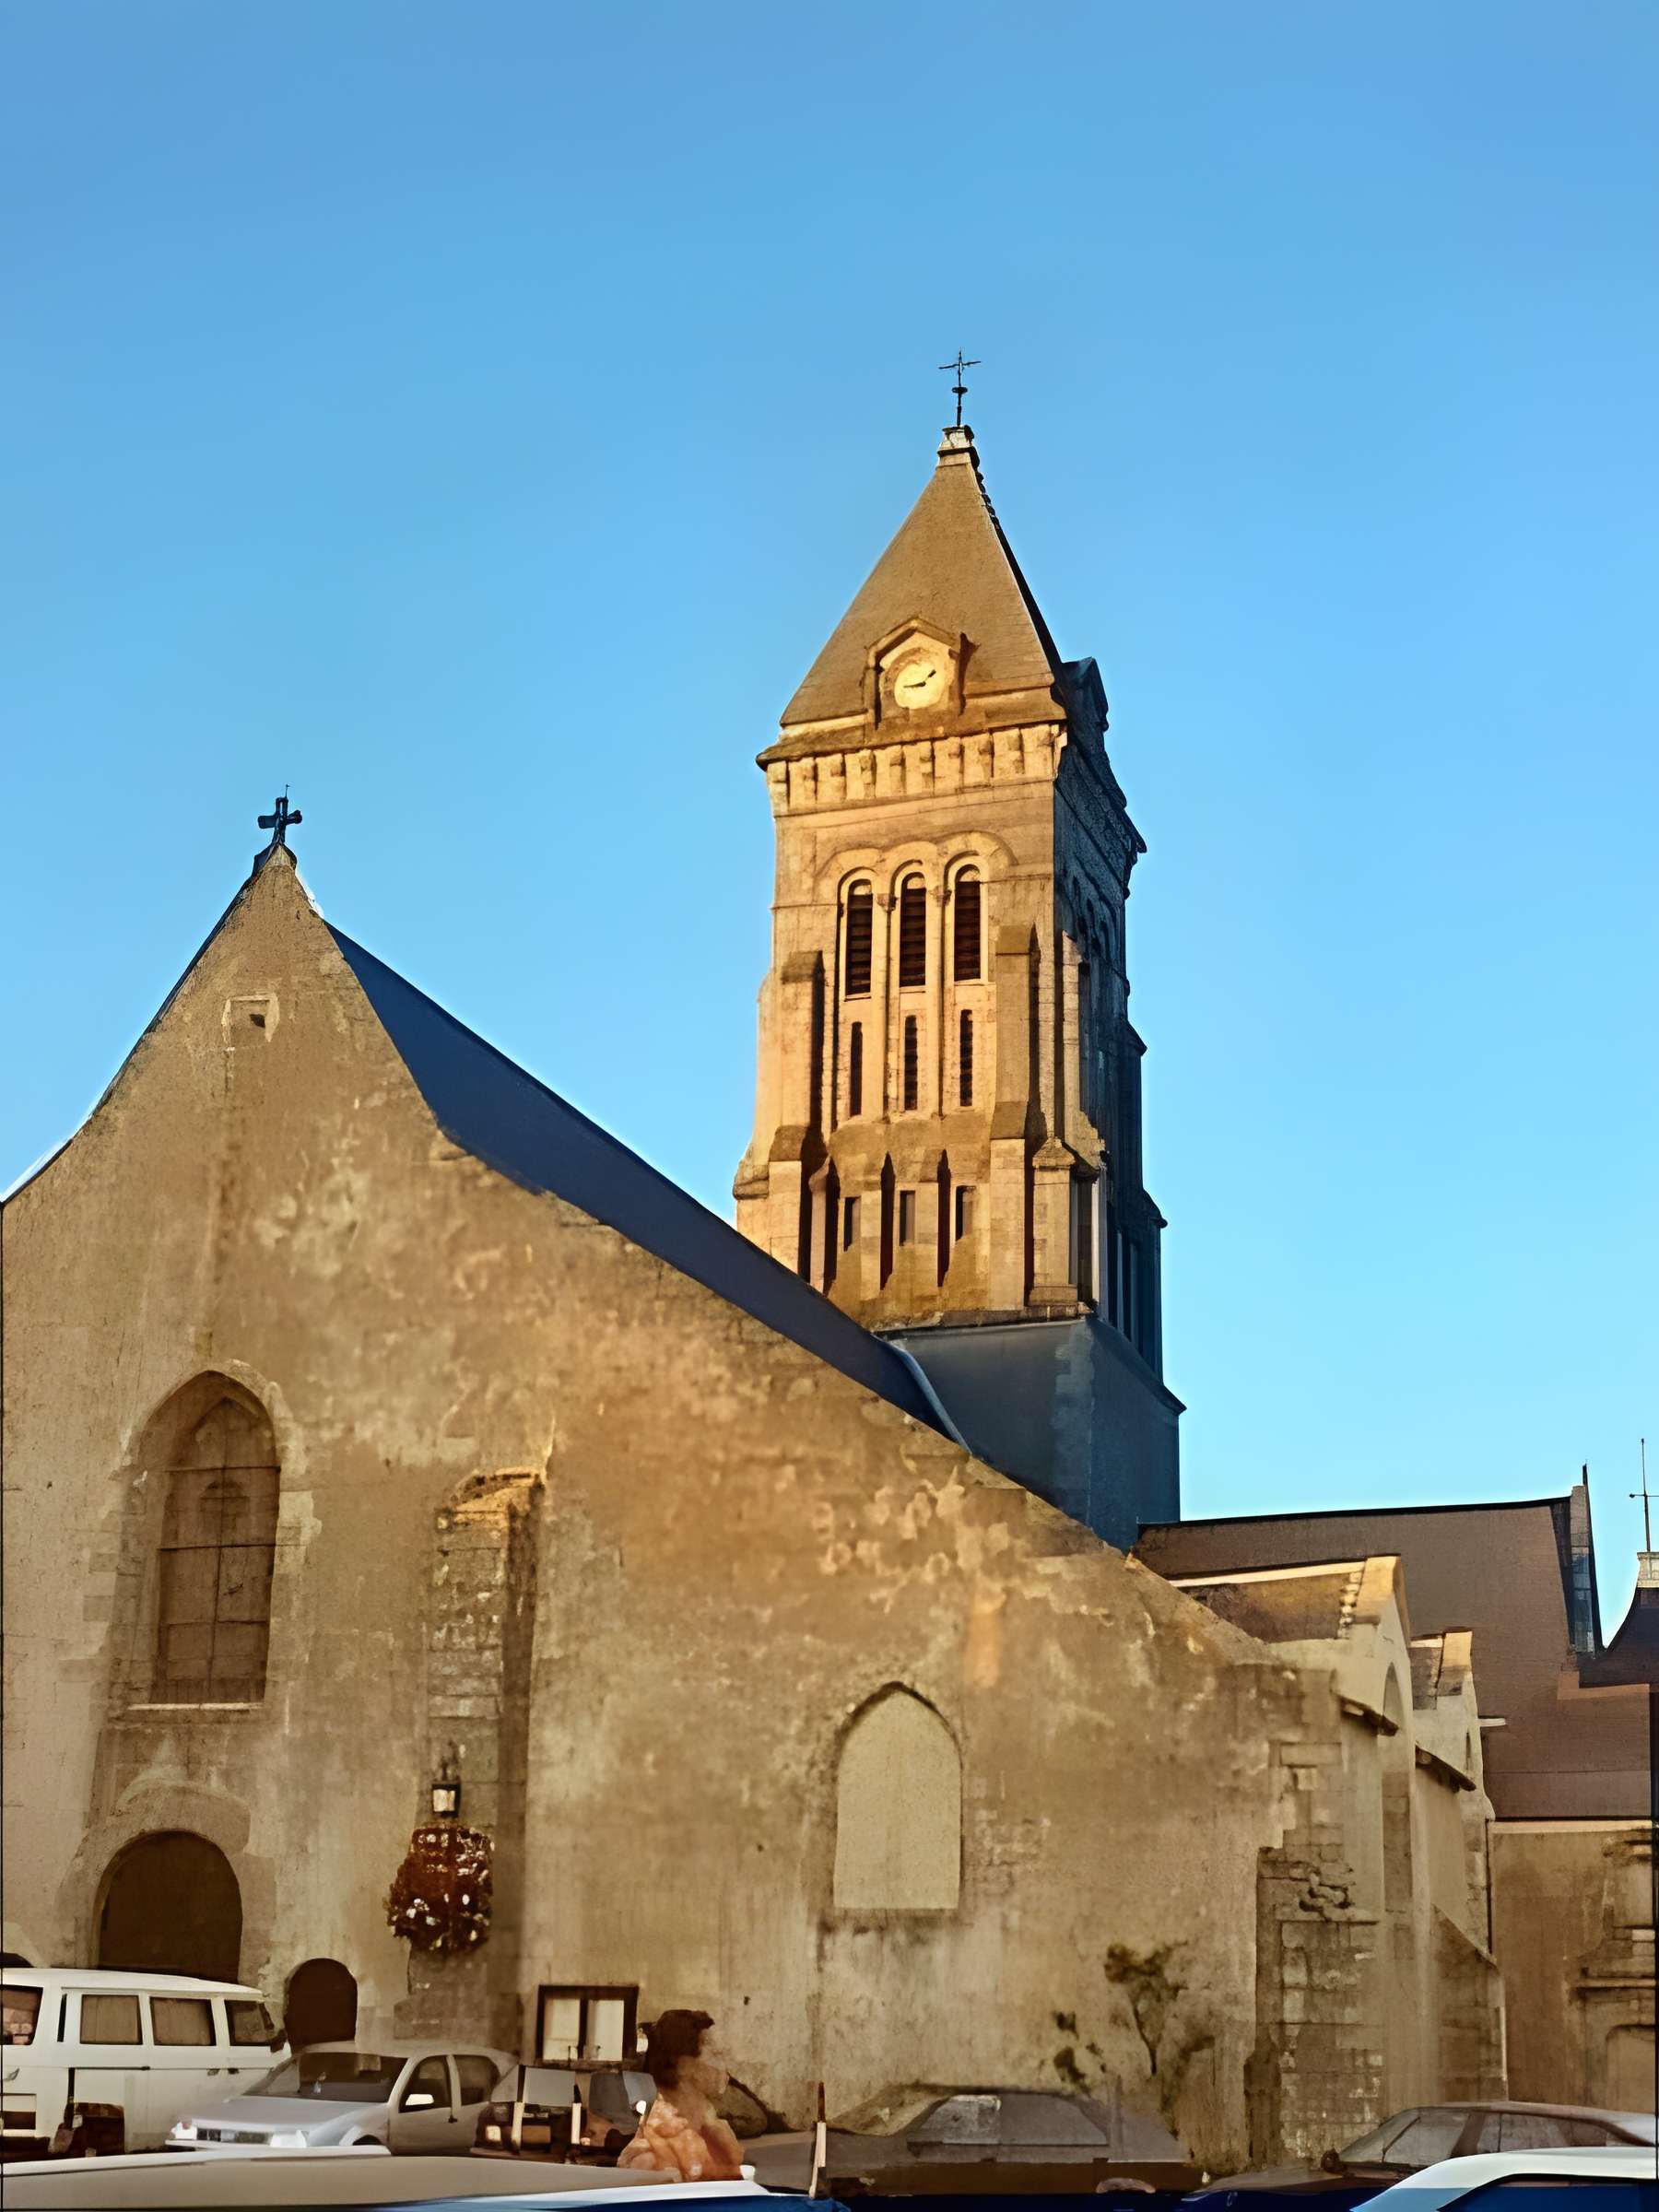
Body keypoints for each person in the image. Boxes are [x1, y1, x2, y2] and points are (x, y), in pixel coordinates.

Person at [617, 2008, 745, 2182]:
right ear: (684, 2065)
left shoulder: (714, 2133)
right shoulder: (648, 2160)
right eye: (714, 2054)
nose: (722, 2064)